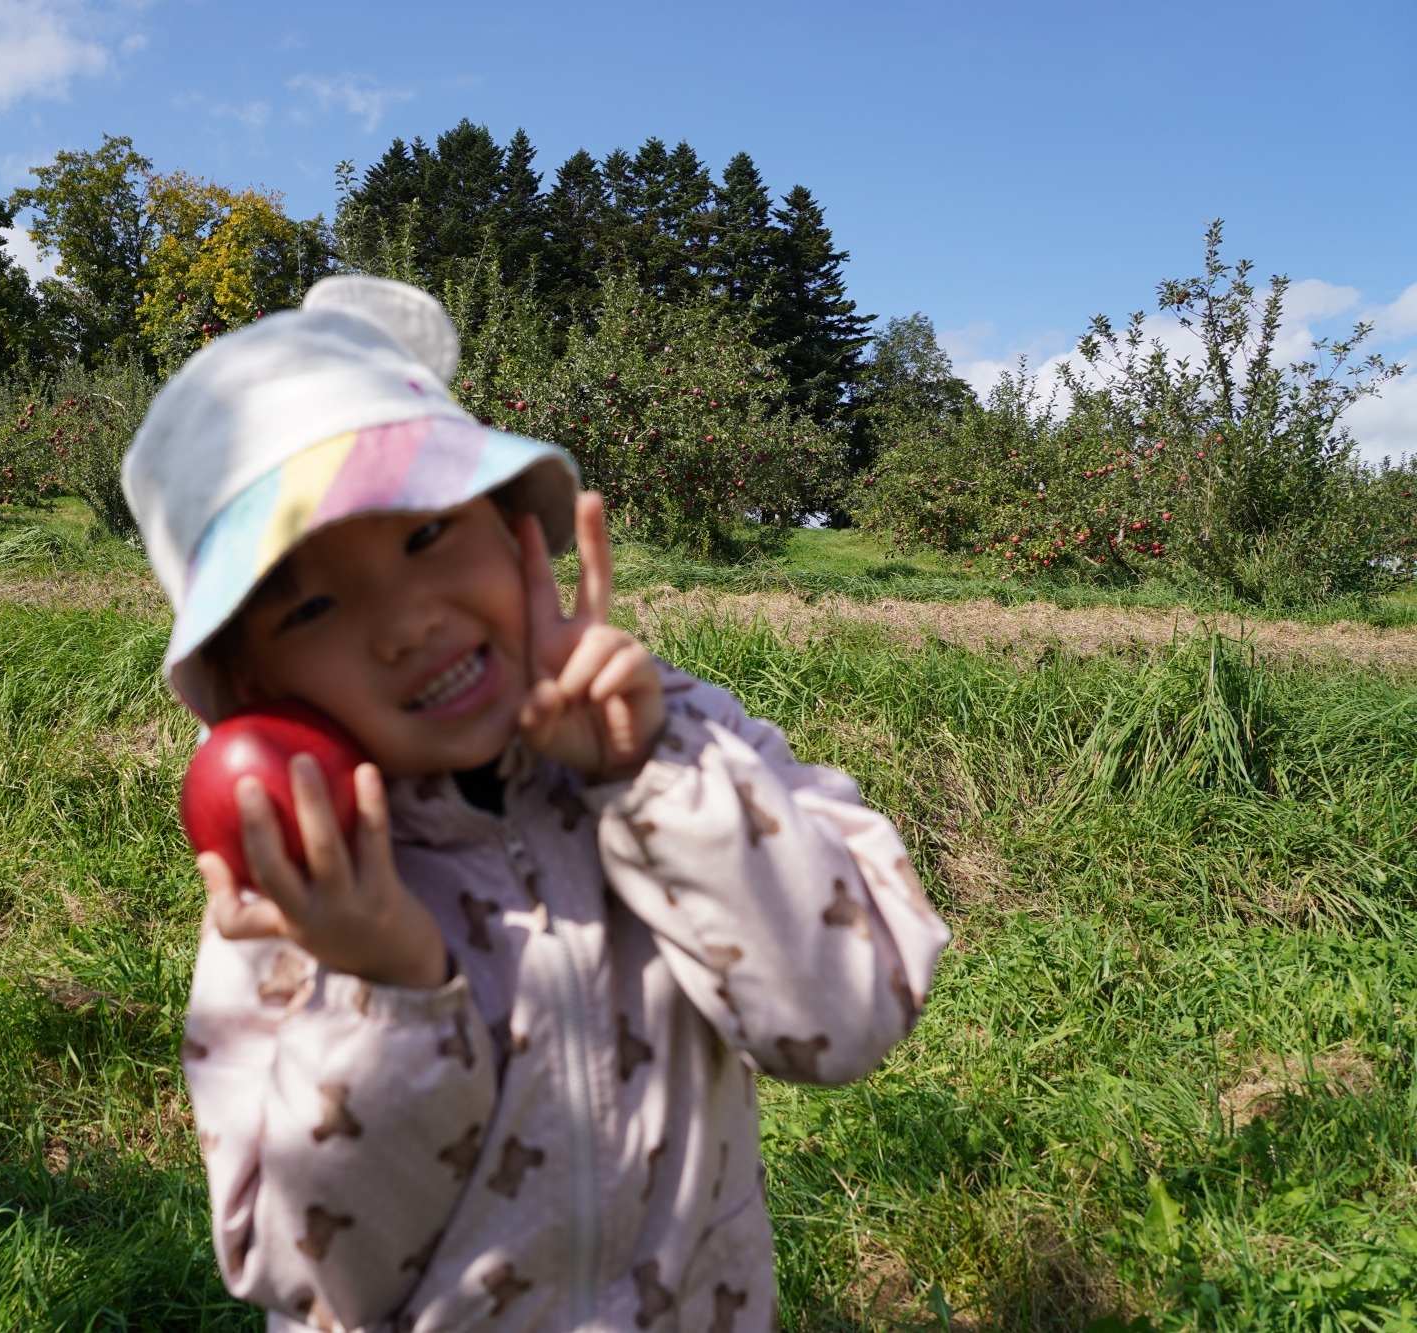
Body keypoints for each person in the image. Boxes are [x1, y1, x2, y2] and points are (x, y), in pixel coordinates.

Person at [122, 275, 950, 1332]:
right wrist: (382, 986)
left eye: (426, 536)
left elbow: (845, 1018)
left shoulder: (685, 741)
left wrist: (651, 776)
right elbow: (310, 1271)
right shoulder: (300, 893)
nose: (403, 622)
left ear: (521, 533)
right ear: (253, 691)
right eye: (316, 604)